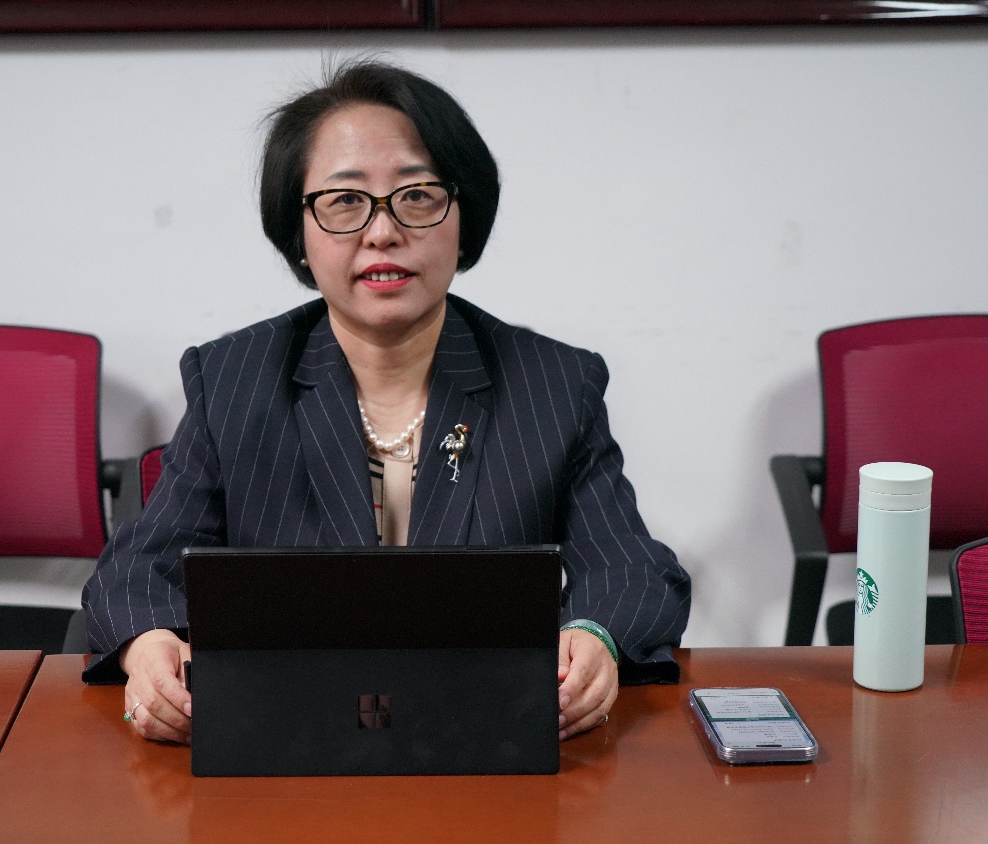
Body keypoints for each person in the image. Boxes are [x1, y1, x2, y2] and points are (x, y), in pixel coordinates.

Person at [82, 59, 691, 745]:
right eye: (344, 201)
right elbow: (136, 569)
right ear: (299, 235)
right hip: (289, 740)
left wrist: (594, 635)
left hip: (482, 737)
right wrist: (148, 646)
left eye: (417, 196)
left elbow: (631, 566)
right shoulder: (234, 379)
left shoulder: (552, 383)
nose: (381, 232)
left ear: (464, 218)